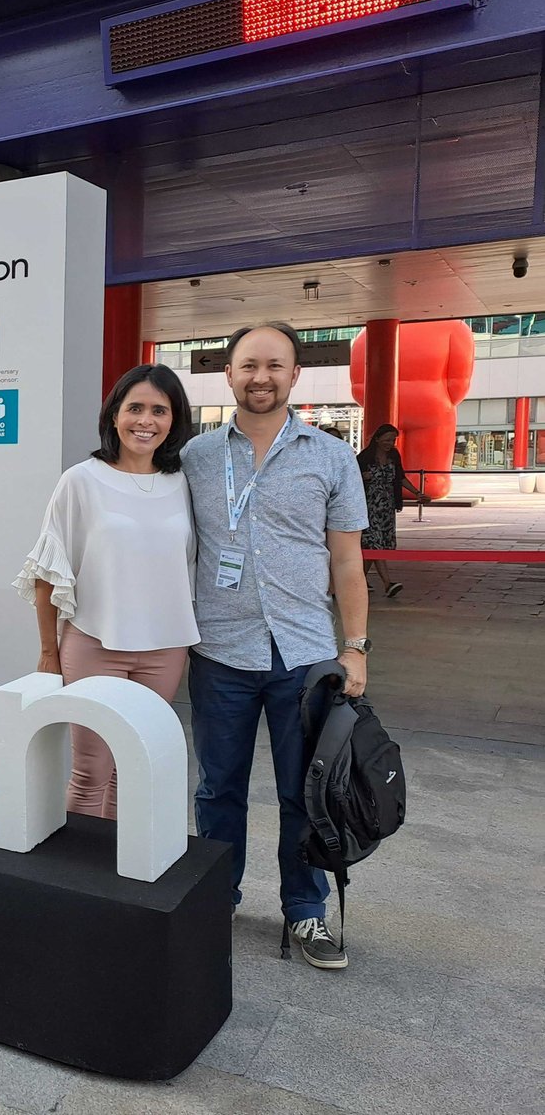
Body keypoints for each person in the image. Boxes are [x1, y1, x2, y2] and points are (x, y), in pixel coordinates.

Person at [181, 322, 369, 972]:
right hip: (219, 654)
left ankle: (306, 910)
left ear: (294, 376)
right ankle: (215, 898)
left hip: (305, 658)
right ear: (228, 374)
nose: (261, 376)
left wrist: (358, 647)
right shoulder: (197, 458)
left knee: (306, 791)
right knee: (217, 788)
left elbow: (348, 562)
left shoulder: (331, 456)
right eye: (248, 365)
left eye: (274, 365)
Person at [14, 363, 199, 818]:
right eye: (135, 407)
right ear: (114, 414)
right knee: (90, 772)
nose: (145, 420)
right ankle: (79, 878)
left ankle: (119, 876)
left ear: (174, 421)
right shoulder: (81, 480)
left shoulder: (182, 483)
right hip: (94, 645)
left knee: (133, 767)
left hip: (165, 650)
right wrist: (48, 652)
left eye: (159, 410)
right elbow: (47, 572)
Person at [356, 423, 424, 599]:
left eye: (393, 440)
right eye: (386, 439)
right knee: (375, 543)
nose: (390, 443)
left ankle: (357, 580)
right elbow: (351, 479)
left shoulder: (394, 455)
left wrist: (417, 493)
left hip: (386, 507)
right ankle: (387, 583)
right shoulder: (364, 458)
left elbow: (400, 477)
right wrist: (362, 477)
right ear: (377, 439)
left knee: (376, 546)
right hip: (369, 506)